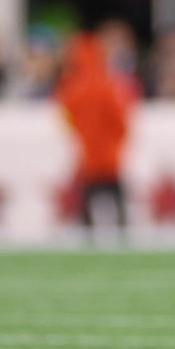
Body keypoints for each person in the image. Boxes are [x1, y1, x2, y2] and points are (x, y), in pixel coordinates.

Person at [56, 32, 133, 236]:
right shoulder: (108, 84)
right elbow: (121, 121)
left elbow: (65, 115)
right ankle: (122, 233)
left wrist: (81, 134)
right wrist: (117, 141)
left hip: (88, 155)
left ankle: (87, 235)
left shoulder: (72, 86)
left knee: (87, 200)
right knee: (116, 198)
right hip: (110, 155)